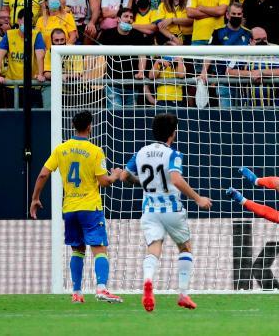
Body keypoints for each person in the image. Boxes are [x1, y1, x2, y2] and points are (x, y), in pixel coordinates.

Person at [116, 113, 211, 311]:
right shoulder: (173, 154)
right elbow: (175, 179)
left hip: (150, 210)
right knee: (185, 248)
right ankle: (183, 294)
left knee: (154, 247)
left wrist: (134, 180)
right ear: (173, 133)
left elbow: (125, 176)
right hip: (171, 209)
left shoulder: (141, 152)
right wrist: (198, 198)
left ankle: (148, 281)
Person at [28, 111, 124, 303]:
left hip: (70, 208)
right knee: (99, 248)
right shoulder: (95, 151)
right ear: (90, 126)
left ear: (73, 125)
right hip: (90, 208)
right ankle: (102, 288)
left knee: (77, 250)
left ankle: (77, 292)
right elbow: (104, 182)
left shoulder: (61, 149)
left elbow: (42, 175)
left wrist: (35, 198)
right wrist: (115, 175)